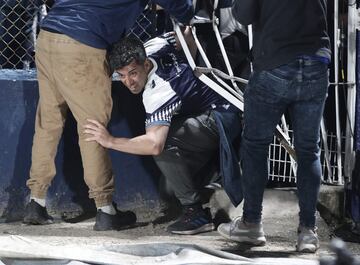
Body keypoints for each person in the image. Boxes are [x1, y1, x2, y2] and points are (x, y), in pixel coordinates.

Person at [23, 0, 194, 231]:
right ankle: (105, 209)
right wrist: (190, 16)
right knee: (92, 128)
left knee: (48, 123)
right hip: (83, 43)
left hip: (48, 36)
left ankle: (36, 200)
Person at [84, 28, 243, 235]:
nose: (128, 82)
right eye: (121, 76)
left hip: (224, 117)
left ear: (145, 63)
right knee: (168, 189)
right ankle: (212, 178)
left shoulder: (157, 91)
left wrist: (110, 141)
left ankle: (195, 212)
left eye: (133, 73)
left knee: (163, 144)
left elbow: (154, 144)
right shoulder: (154, 45)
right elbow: (186, 31)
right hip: (218, 107)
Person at [217, 0, 331, 253]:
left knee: (256, 145)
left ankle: (252, 223)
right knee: (309, 150)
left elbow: (243, 15)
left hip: (276, 63)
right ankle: (308, 232)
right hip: (316, 63)